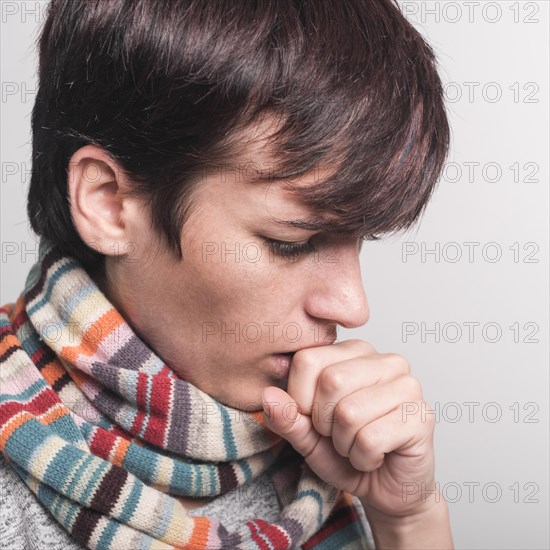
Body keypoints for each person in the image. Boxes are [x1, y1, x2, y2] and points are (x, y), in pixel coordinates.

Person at [0, 0, 453, 548]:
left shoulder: (326, 447)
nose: (354, 306)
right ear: (109, 203)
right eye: (291, 243)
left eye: (358, 242)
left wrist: (408, 518)